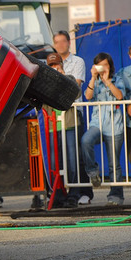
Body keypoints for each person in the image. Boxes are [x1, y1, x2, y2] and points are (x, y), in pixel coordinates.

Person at [53, 30, 93, 205]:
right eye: (57, 42)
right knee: (58, 158)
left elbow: (75, 90)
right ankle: (60, 193)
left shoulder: (78, 61)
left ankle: (77, 192)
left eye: (63, 41)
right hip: (56, 118)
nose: (60, 45)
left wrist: (60, 77)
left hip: (73, 116)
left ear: (69, 43)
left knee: (74, 156)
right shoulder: (50, 63)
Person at [81, 52, 126, 206]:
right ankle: (93, 172)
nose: (103, 68)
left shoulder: (117, 79)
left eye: (105, 65)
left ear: (110, 66)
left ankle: (116, 197)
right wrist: (93, 77)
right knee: (86, 140)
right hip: (97, 123)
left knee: (114, 164)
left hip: (115, 125)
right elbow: (87, 96)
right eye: (100, 65)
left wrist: (107, 81)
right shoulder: (95, 81)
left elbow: (119, 96)